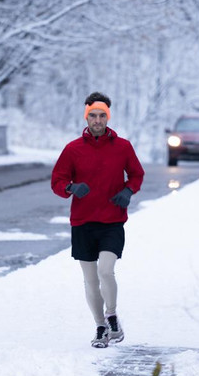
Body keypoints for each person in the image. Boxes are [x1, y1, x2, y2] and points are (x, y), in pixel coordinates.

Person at [51, 92, 145, 348]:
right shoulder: (73, 149)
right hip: (83, 222)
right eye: (93, 115)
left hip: (112, 220)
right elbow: (57, 181)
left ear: (108, 117)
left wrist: (127, 191)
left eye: (102, 115)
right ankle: (100, 327)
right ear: (86, 117)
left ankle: (112, 315)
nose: (97, 120)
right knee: (91, 279)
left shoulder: (123, 146)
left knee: (106, 270)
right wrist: (71, 188)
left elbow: (136, 174)